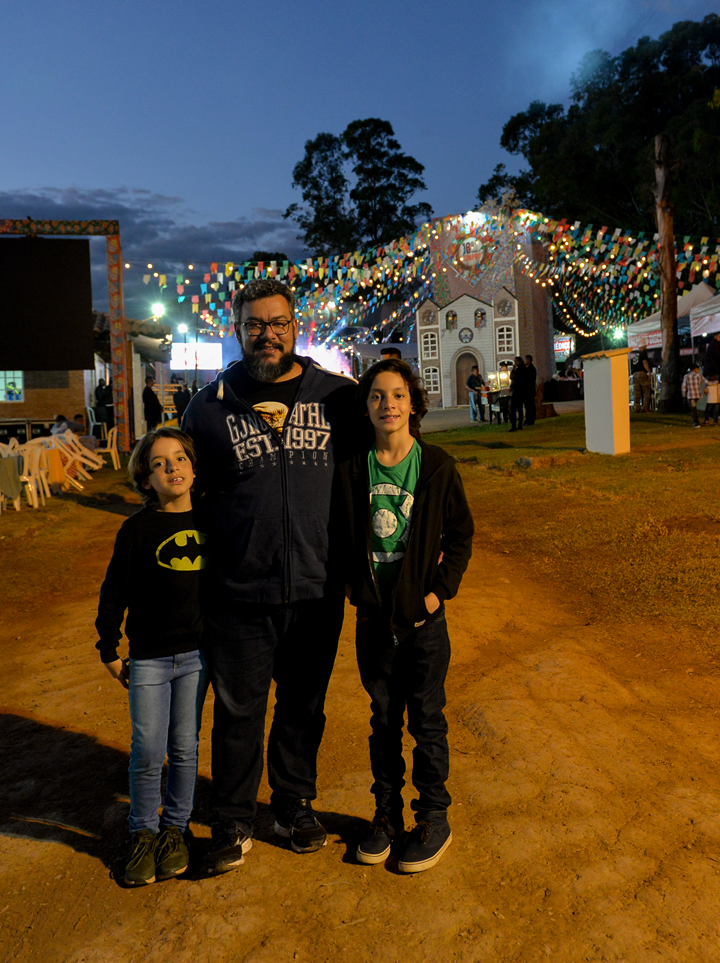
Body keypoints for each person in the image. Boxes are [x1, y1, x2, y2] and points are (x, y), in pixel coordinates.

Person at [180, 278, 358, 874]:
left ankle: (292, 804)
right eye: (255, 324)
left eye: (278, 323)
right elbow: (186, 499)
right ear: (237, 330)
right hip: (238, 590)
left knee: (304, 706)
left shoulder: (337, 398)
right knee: (238, 712)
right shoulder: (208, 407)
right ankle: (232, 819)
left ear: (294, 326)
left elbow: (373, 470)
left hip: (317, 585)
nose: (268, 334)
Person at [332, 359, 474, 873]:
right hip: (374, 621)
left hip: (423, 624)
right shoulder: (352, 468)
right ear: (366, 408)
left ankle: (433, 818)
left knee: (427, 720)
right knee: (384, 720)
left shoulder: (436, 467)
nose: (387, 404)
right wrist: (352, 587)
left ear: (413, 404)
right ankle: (386, 817)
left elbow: (461, 535)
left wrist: (436, 595)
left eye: (397, 395)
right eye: (376, 396)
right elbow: (338, 534)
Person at [95, 427, 209, 887]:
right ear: (146, 479)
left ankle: (175, 830)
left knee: (184, 748)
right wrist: (108, 649)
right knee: (147, 750)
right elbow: (113, 592)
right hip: (148, 659)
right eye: (159, 463)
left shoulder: (213, 522)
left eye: (180, 458)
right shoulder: (136, 531)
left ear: (194, 468)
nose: (172, 468)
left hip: (197, 656)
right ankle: (143, 832)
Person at [682, 360, 706, 428]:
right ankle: (697, 421)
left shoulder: (686, 376)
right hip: (697, 394)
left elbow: (683, 386)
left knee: (693, 408)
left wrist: (684, 395)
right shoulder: (699, 375)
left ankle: (696, 422)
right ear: (696, 369)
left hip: (690, 395)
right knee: (694, 407)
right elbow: (706, 382)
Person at [507, 357, 527, 431]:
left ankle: (515, 426)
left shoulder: (521, 369)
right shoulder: (519, 369)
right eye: (515, 361)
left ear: (520, 361)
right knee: (519, 408)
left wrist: (514, 369)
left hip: (518, 391)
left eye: (517, 361)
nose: (515, 363)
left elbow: (513, 377)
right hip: (518, 390)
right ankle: (518, 425)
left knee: (515, 408)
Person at [522, 354, 539, 427]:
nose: (524, 361)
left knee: (530, 405)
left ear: (528, 360)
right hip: (527, 390)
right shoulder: (528, 368)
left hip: (529, 390)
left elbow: (529, 379)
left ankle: (530, 420)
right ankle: (528, 419)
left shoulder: (531, 369)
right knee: (527, 405)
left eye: (525, 360)